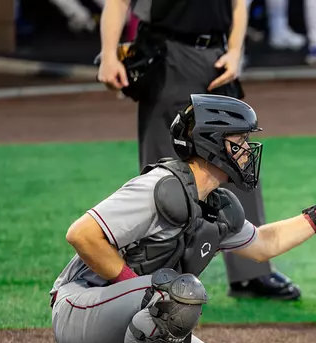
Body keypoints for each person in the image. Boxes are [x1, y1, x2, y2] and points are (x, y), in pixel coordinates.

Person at [50, 94, 316, 343]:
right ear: (214, 143)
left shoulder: (214, 207)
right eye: (240, 142)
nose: (248, 151)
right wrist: (140, 290)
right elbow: (82, 234)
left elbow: (264, 245)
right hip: (80, 308)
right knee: (178, 294)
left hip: (138, 315)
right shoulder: (158, 188)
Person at [96, 0, 302, 301]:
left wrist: (234, 52)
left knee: (238, 157)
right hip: (168, 56)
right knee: (164, 169)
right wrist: (108, 54)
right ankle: (155, 276)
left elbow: (238, 4)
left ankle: (250, 273)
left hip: (216, 60)